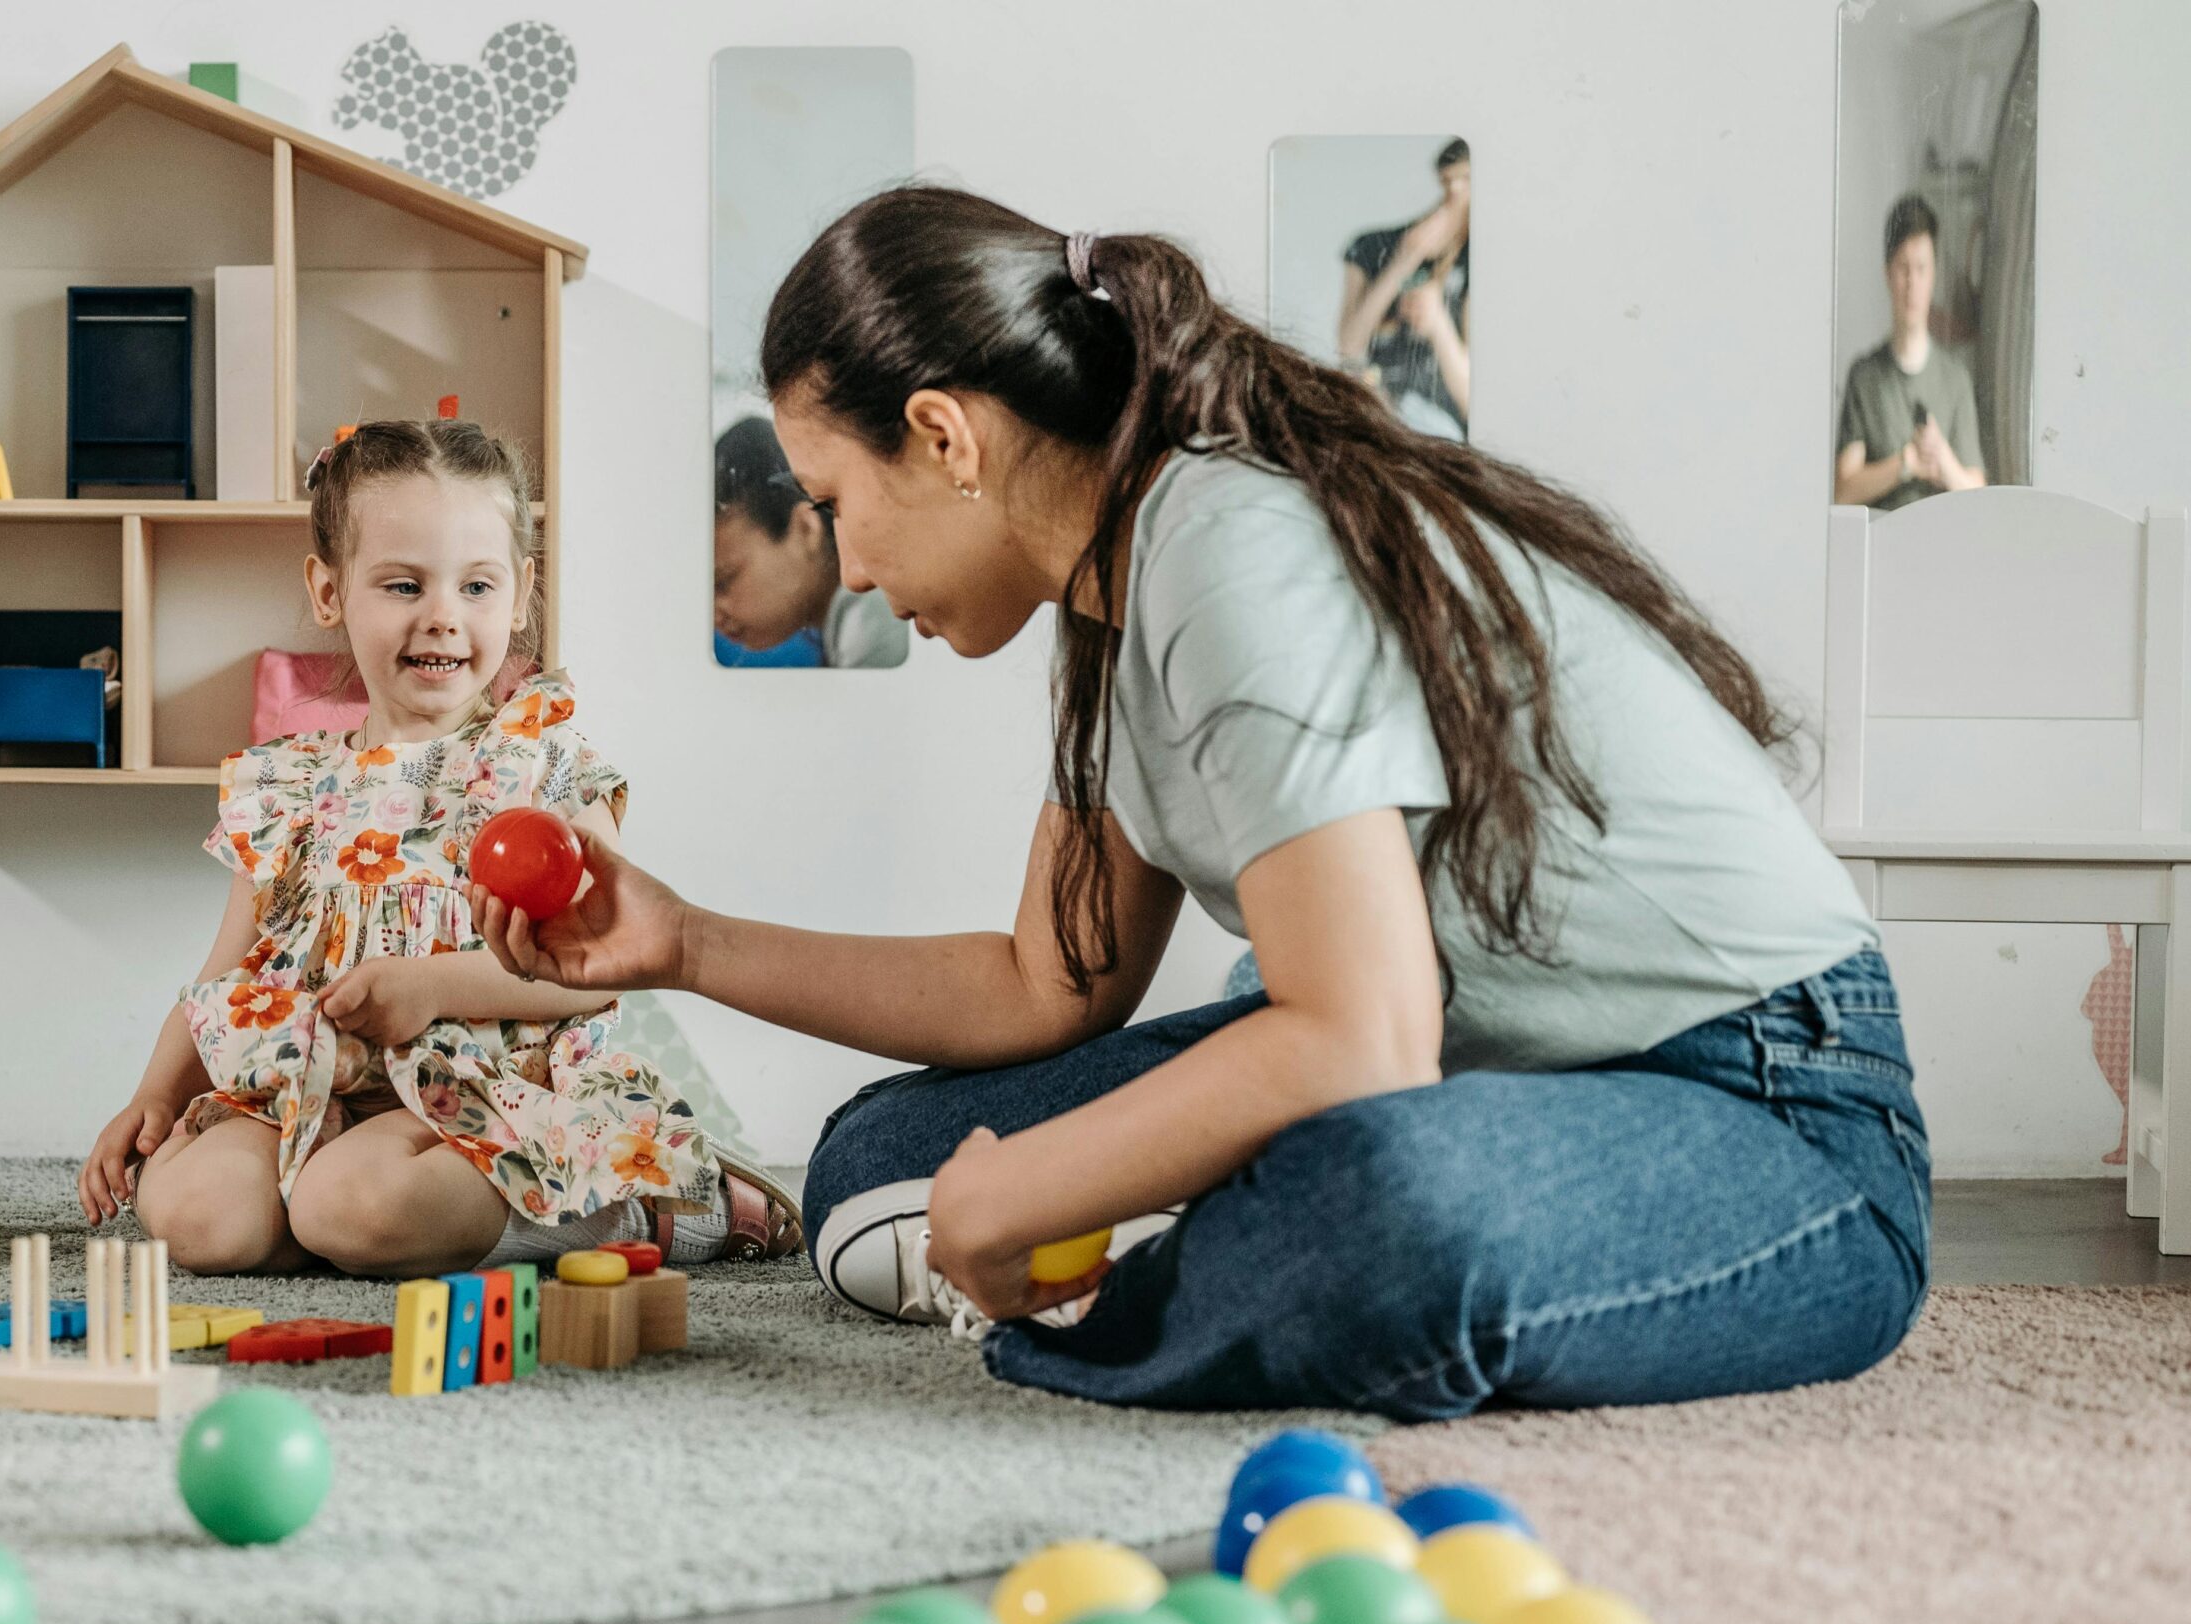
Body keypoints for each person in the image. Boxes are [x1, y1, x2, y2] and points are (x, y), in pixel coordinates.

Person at [478, 187, 1927, 1421]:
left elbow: (1360, 1035)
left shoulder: (1229, 549)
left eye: (838, 499)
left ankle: (1173, 1245)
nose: (846, 568)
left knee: (1378, 1208)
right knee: (876, 1158)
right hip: (1484, 1063)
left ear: (944, 434)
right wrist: (683, 943)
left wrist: (1029, 1188)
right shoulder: (1113, 593)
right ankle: (1182, 1226)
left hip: (1769, 1104)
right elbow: (1044, 983)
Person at [76, 418, 800, 1275]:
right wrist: (153, 1096)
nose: (443, 617)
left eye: (477, 586)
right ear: (328, 589)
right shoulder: (287, 785)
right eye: (404, 584)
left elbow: (604, 969)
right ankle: (339, 1218)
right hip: (312, 1091)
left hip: (486, 1094)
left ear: (522, 591)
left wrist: (430, 985)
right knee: (197, 1217)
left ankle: (634, 1203)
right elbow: (226, 980)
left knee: (353, 1204)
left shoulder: (543, 764)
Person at [714, 415, 909, 668]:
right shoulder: (848, 627)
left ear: (806, 529)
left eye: (724, 580)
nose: (715, 614)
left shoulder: (874, 623)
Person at [1835, 193, 1986, 509]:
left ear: (1933, 275)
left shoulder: (1956, 379)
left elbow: (1978, 496)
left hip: (1943, 548)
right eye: (1903, 268)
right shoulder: (1864, 377)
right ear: (1887, 274)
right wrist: (1906, 462)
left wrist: (1942, 457)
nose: (1912, 283)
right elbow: (1844, 490)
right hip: (1879, 549)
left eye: (1921, 268)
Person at [1335, 138, 1471, 439]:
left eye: (1467, 179)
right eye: (1450, 180)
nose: (1458, 191)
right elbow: (1348, 346)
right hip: (1377, 411)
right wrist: (1404, 261)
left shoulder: (1482, 259)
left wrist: (1437, 324)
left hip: (1442, 432)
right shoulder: (1372, 246)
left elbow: (1471, 399)